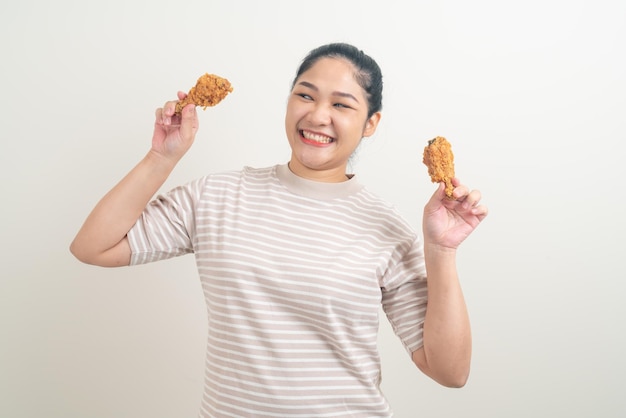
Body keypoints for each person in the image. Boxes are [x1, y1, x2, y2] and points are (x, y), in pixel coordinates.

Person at [70, 42, 488, 417]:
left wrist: (442, 250)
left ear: (370, 123)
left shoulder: (385, 225)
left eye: (342, 105)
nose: (318, 115)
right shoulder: (216, 196)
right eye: (305, 95)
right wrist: (161, 157)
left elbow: (449, 371)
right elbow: (93, 247)